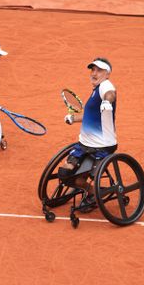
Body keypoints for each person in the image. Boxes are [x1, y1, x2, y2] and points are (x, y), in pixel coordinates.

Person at [59, 57, 117, 208]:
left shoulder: (106, 85)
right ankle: (91, 192)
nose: (94, 73)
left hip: (102, 146)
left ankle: (95, 193)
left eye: (99, 70)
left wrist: (106, 102)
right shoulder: (95, 92)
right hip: (84, 145)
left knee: (90, 176)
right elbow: (89, 116)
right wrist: (74, 118)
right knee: (66, 174)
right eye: (93, 70)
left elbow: (110, 94)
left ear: (107, 74)